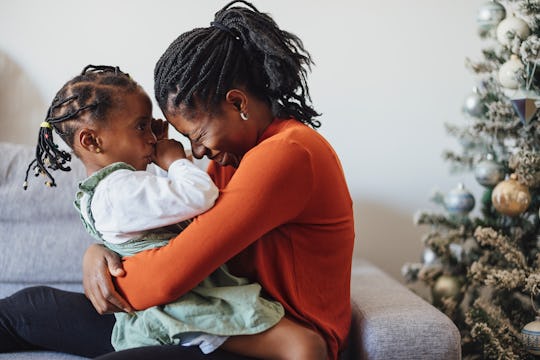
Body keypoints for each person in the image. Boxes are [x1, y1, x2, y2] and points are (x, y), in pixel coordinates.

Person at [0, 1, 354, 359]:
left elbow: (166, 278)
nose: (196, 152)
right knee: (29, 308)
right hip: (208, 314)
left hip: (264, 334)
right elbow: (187, 235)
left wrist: (109, 274)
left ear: (236, 103)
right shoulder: (239, 154)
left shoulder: (287, 153)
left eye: (197, 135)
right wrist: (100, 251)